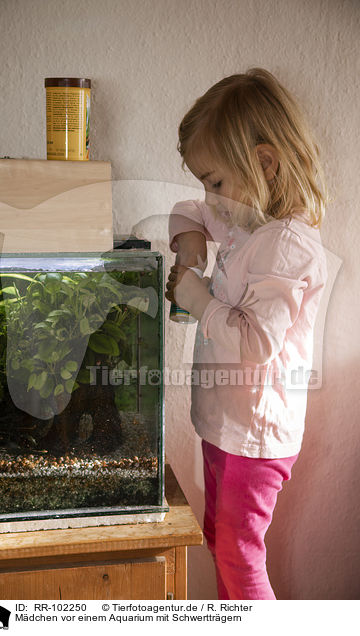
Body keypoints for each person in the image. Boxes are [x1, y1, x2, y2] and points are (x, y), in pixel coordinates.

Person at [165, 68, 328, 600]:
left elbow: (258, 344)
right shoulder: (244, 221)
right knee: (222, 541)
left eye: (215, 182)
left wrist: (196, 298)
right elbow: (185, 211)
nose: (207, 198)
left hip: (254, 439)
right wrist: (190, 246)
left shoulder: (284, 244)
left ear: (263, 162)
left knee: (239, 552)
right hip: (228, 428)